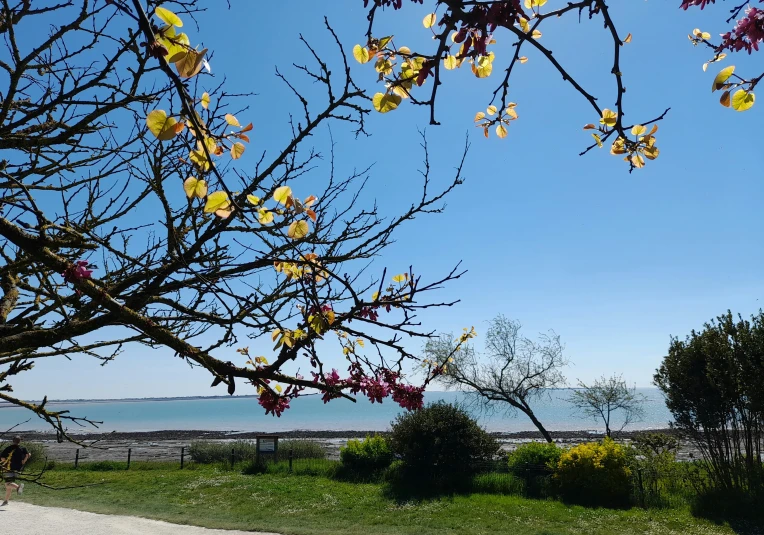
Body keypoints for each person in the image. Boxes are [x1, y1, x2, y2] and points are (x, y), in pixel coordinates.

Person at [1, 436, 30, 506]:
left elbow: (2, 458)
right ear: (20, 441)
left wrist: (5, 462)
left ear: (13, 441)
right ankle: (6, 501)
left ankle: (18, 487)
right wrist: (24, 461)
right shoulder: (22, 448)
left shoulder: (9, 448)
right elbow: (28, 454)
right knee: (9, 484)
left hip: (9, 468)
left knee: (7, 484)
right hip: (18, 469)